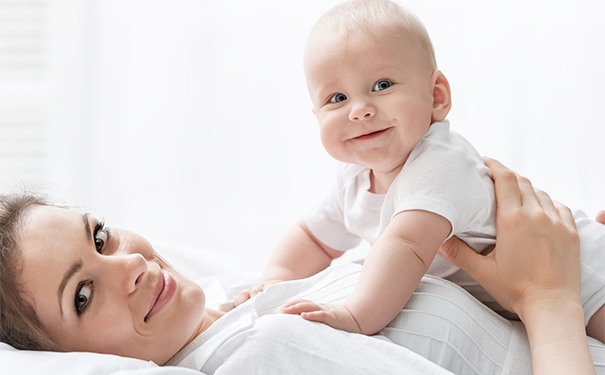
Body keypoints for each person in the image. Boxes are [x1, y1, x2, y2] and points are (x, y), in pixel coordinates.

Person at [0, 159, 603, 375]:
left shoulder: (237, 302)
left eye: (99, 236)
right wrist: (549, 296)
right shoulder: (266, 356)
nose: (126, 264)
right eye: (82, 295)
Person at [235, 0, 605, 343]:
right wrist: (276, 280)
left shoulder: (439, 164)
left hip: (583, 277)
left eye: (382, 86)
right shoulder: (353, 178)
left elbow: (405, 248)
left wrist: (354, 315)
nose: (358, 110)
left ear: (437, 96)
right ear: (315, 115)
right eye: (337, 98)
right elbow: (313, 237)